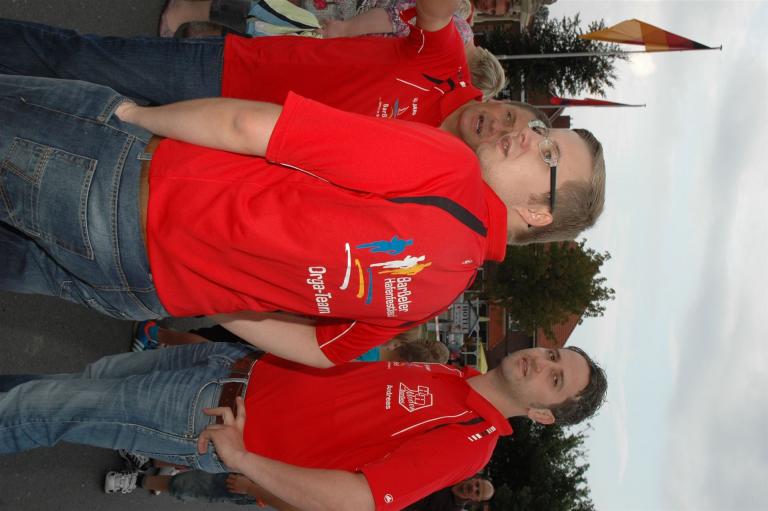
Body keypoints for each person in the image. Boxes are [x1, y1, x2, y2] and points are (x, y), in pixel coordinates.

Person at [0, 73, 603, 366]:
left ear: (538, 212)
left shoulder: (452, 169)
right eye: (544, 128)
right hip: (140, 288)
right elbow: (321, 351)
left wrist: (134, 118)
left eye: (549, 156)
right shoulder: (435, 298)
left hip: (127, 187)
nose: (530, 135)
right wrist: (220, 302)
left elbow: (251, 127)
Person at [0, 341, 607, 510]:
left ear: (543, 414)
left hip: (210, 419)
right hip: (229, 366)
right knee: (72, 384)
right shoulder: (453, 375)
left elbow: (359, 498)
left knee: (45, 408)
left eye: (555, 379)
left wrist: (244, 462)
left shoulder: (471, 445)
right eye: (554, 354)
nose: (541, 362)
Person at [0, 5, 530, 149]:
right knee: (80, 59)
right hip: (229, 73)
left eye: (506, 135)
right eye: (509, 115)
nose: (497, 125)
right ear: (495, 101)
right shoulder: (448, 66)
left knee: (81, 128)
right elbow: (433, 11)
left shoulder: (437, 160)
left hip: (231, 148)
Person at [402, 476, 494, 510]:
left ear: (476, 500)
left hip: (400, 502)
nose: (473, 488)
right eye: (477, 484)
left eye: (477, 492)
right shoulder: (454, 475)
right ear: (475, 479)